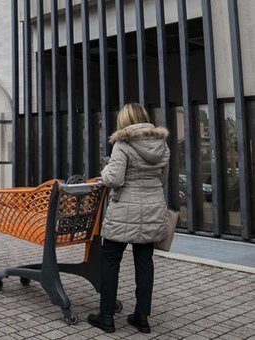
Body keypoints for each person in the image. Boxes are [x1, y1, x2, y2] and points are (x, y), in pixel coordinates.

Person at [88, 103, 170, 334]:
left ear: (125, 120)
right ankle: (141, 317)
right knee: (145, 262)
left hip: (125, 210)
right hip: (154, 208)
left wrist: (104, 172)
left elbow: (114, 179)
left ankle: (106, 316)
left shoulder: (122, 143)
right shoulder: (162, 143)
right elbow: (163, 178)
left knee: (110, 260)